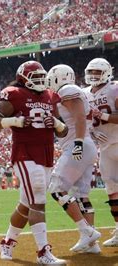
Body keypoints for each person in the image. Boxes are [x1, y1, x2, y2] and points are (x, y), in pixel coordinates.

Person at [0, 61, 67, 264]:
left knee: (26, 204)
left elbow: (64, 130)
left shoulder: (50, 95)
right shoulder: (15, 94)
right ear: (23, 78)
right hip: (25, 153)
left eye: (41, 76)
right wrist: (14, 121)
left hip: (46, 153)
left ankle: (7, 241)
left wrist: (56, 123)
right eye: (35, 77)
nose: (40, 80)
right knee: (38, 200)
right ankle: (43, 252)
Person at [46, 64, 101, 253]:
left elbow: (78, 116)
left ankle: (87, 231)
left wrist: (77, 142)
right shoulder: (74, 92)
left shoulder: (68, 90)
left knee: (56, 189)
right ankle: (92, 244)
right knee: (81, 196)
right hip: (86, 145)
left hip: (79, 145)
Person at [83, 58, 118, 247]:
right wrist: (92, 132)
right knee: (112, 190)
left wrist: (102, 115)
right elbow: (81, 120)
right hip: (105, 148)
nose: (93, 75)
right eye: (91, 72)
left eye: (97, 72)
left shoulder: (114, 88)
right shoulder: (84, 93)